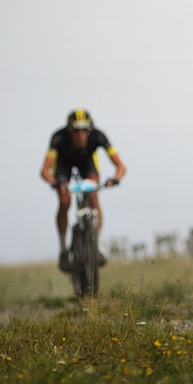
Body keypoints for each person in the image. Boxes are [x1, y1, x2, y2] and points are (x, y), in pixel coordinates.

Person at [39, 109, 127, 272]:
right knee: (64, 201)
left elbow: (121, 166)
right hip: (63, 165)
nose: (81, 134)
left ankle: (98, 245)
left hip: (88, 164)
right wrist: (54, 182)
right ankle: (64, 248)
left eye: (85, 130)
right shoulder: (58, 138)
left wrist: (115, 179)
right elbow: (45, 170)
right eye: (76, 130)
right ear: (69, 130)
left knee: (93, 195)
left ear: (90, 130)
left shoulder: (98, 136)